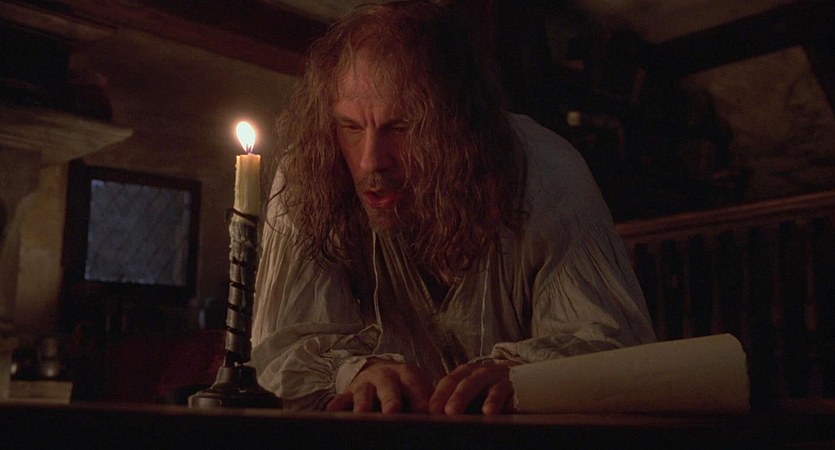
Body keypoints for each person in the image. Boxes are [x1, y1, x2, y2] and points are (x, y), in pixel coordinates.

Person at [250, 0, 656, 415]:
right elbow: (277, 351)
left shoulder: (548, 175)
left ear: (458, 124)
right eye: (350, 126)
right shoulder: (311, 173)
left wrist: (527, 373)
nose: (371, 161)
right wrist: (353, 371)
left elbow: (616, 351)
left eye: (402, 127)